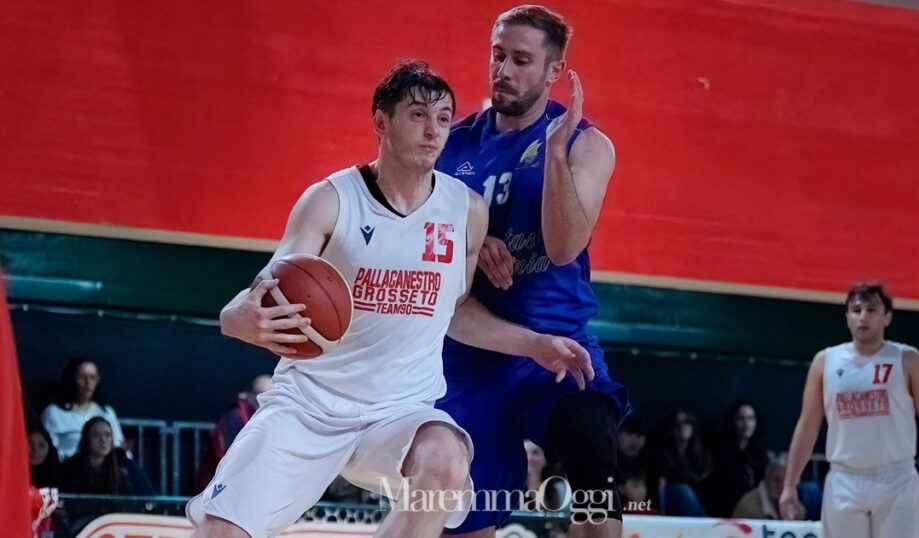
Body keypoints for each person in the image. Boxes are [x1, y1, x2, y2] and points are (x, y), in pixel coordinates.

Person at [187, 60, 591, 538]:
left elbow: (455, 311)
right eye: (418, 114)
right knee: (221, 530)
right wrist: (237, 318)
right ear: (381, 121)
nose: (434, 130)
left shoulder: (466, 211)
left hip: (399, 411)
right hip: (310, 404)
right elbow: (265, 288)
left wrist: (533, 344)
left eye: (443, 119)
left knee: (447, 459)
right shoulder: (330, 199)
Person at [435, 5, 628, 536]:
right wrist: (473, 242)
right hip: (468, 351)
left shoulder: (587, 143)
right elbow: (416, 253)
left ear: (553, 72)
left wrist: (556, 154)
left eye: (521, 59)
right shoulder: (450, 145)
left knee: (591, 448)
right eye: (497, 55)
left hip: (556, 346)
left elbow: (564, 247)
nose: (503, 70)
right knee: (466, 517)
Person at [780, 282, 919, 537]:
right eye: (856, 310)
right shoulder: (825, 361)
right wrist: (790, 484)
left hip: (897, 478)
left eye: (871, 309)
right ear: (847, 317)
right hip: (844, 479)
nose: (863, 316)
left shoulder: (908, 359)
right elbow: (808, 425)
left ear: (887, 317)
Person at [41, 357, 126, 461]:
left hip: (103, 470)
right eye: (82, 377)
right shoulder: (54, 413)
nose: (87, 382)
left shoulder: (106, 413)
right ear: (71, 379)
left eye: (92, 377)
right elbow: (48, 452)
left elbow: (117, 445)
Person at [709, 400, 768, 516]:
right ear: (732, 421)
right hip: (727, 512)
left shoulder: (760, 453)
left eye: (751, 419)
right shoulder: (720, 452)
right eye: (741, 419)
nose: (747, 424)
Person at [653, 411, 711, 517]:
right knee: (683, 491)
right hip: (673, 506)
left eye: (686, 423)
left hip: (699, 506)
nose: (682, 427)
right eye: (677, 423)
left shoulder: (703, 456)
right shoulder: (661, 456)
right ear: (670, 429)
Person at [59, 416, 134, 494]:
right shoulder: (70, 469)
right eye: (96, 435)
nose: (103, 440)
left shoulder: (120, 469)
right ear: (86, 439)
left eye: (107, 435)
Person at [732, 452, 803, 520]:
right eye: (777, 480)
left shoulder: (796, 508)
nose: (781, 486)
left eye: (785, 482)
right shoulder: (747, 508)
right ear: (767, 480)